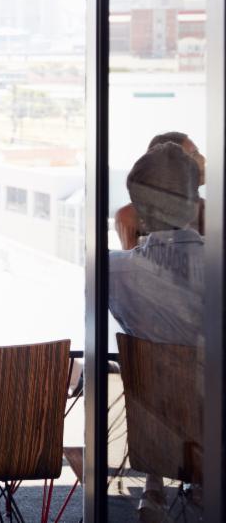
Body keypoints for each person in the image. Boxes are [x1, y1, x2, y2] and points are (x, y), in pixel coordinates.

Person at [109, 142, 205, 523]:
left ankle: (154, 489)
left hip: (157, 429)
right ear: (193, 203)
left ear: (140, 210)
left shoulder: (110, 272)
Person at [115, 131, 205, 250]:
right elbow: (134, 261)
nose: (203, 159)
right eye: (193, 154)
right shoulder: (130, 216)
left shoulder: (205, 209)